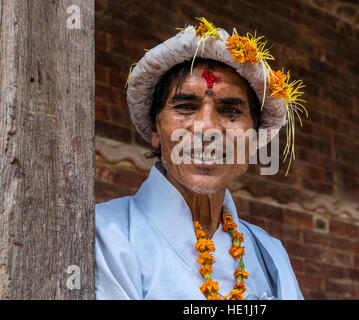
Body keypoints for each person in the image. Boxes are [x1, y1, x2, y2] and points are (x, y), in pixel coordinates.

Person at [95, 18, 306, 300]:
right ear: (156, 129)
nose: (207, 128)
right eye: (185, 107)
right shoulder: (108, 235)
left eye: (231, 112)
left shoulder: (271, 255)